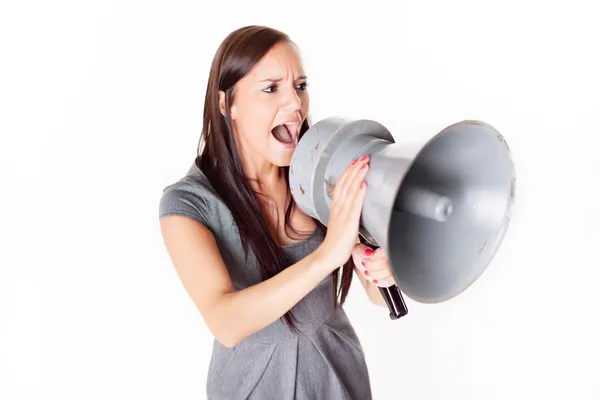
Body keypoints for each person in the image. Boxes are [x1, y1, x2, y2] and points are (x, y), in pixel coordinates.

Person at [158, 25, 397, 399]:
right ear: (227, 105)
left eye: (300, 86)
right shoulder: (187, 205)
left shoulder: (322, 175)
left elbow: (377, 293)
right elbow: (226, 321)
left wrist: (383, 269)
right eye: (271, 89)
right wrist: (327, 254)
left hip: (336, 379)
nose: (295, 104)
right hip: (252, 387)